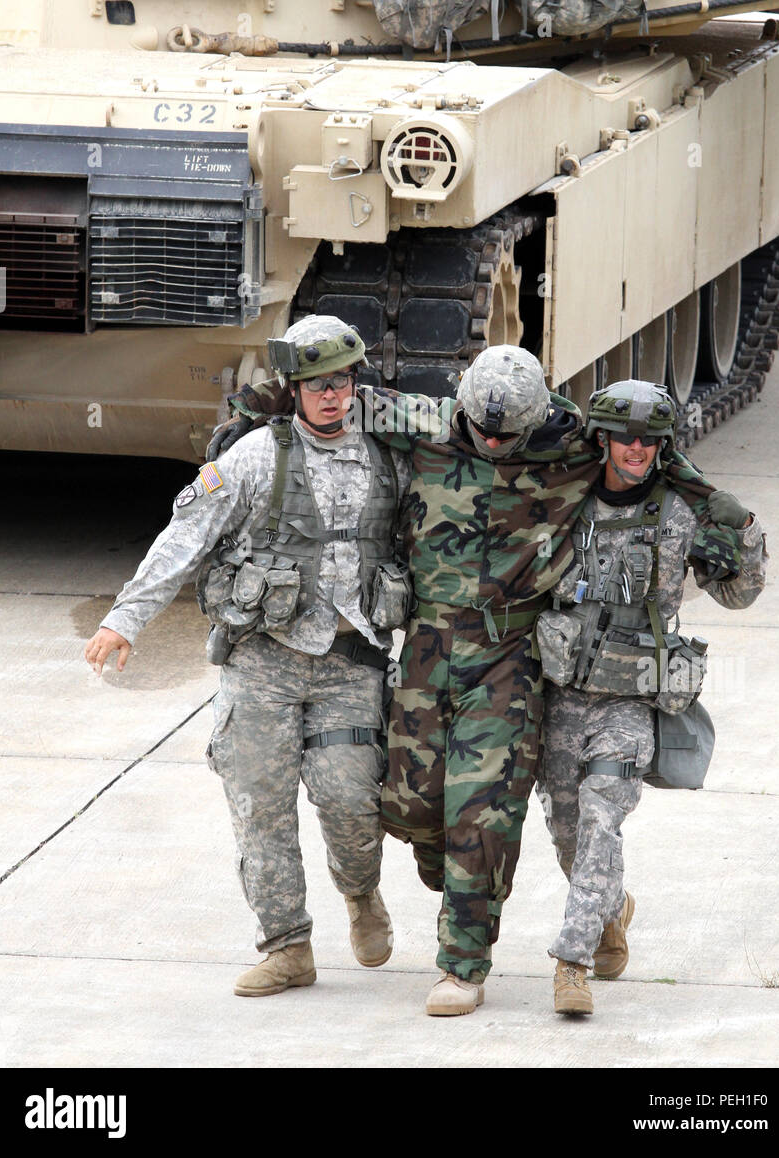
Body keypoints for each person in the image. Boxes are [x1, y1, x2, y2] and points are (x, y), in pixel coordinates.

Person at [216, 348, 719, 1016]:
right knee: (409, 802)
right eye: (480, 430)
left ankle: (462, 965)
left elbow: (651, 457)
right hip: (426, 644)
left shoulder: (570, 449)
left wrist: (711, 502)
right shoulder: (424, 425)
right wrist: (248, 414)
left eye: (505, 434)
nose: (490, 440)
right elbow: (328, 395)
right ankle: (527, 892)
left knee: (482, 812)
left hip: (509, 654)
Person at [84, 315, 412, 998]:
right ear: (293, 388)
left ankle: (360, 894)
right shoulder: (255, 457)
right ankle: (287, 946)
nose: (331, 395)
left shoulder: (385, 457)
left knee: (351, 802)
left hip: (350, 662)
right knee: (260, 810)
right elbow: (184, 538)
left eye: (342, 381)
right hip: (262, 661)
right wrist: (125, 620)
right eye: (317, 384)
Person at [535, 379, 768, 1016]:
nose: (636, 448)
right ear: (603, 439)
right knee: (568, 834)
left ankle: (570, 963)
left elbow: (739, 594)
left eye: (649, 439)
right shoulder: (565, 498)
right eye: (624, 436)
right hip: (558, 696)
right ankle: (612, 912)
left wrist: (742, 529)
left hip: (629, 702)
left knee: (601, 819)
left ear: (663, 446)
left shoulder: (679, 513)